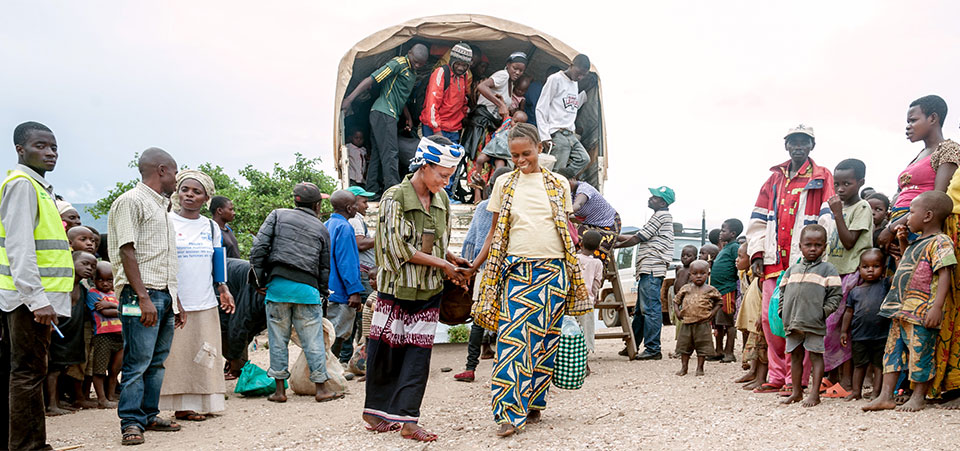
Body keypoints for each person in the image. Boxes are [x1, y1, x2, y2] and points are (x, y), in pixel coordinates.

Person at [466, 123, 589, 437]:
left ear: (539, 148)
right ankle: (507, 413)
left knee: (544, 341)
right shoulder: (504, 184)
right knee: (512, 341)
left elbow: (564, 228)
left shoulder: (558, 183)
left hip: (555, 272)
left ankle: (534, 402)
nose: (520, 160)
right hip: (518, 272)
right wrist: (473, 267)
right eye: (514, 155)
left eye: (526, 153)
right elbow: (493, 234)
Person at [362, 135, 468, 442]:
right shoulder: (394, 198)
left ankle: (409, 422)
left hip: (428, 292)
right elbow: (396, 248)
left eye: (450, 176)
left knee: (417, 358)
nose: (447, 182)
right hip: (394, 290)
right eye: (443, 175)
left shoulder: (443, 201)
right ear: (424, 166)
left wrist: (450, 257)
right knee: (384, 354)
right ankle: (375, 414)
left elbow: (437, 240)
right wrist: (444, 265)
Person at [746, 124, 834, 394]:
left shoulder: (821, 176)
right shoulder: (774, 179)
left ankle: (797, 379)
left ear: (812, 146)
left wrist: (816, 255)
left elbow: (826, 217)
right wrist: (756, 253)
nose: (798, 146)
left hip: (803, 262)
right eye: (793, 142)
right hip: (774, 260)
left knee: (802, 320)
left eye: (804, 142)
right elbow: (758, 219)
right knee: (771, 320)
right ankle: (776, 375)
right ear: (786, 145)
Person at [0, 121, 72, 450]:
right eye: (41, 146)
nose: (50, 152)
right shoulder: (22, 185)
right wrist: (36, 298)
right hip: (27, 301)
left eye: (53, 147)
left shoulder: (38, 186)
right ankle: (28, 447)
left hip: (34, 299)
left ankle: (32, 444)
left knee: (31, 372)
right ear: (20, 150)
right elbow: (20, 247)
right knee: (27, 373)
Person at [108, 147, 185, 446]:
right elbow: (127, 250)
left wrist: (175, 300)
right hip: (139, 295)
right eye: (176, 172)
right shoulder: (131, 201)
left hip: (163, 294)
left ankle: (149, 414)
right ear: (162, 170)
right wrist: (142, 297)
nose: (177, 179)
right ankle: (130, 422)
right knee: (137, 362)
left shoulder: (163, 209)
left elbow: (165, 257)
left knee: (157, 361)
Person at [249, 182, 342, 404]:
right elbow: (323, 267)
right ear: (318, 205)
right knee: (313, 340)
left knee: (277, 339)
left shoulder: (277, 215)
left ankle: (280, 391)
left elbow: (258, 250)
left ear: (295, 201)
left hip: (277, 287)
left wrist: (259, 281)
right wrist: (322, 292)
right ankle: (321, 389)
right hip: (307, 291)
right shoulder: (321, 228)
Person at [864, 191, 956, 412]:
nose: (907, 217)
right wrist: (904, 240)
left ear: (928, 216)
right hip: (900, 309)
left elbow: (945, 273)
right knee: (892, 351)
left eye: (911, 212)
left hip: (921, 310)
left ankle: (919, 396)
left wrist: (937, 307)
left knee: (921, 352)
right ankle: (885, 395)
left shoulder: (940, 241)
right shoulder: (917, 241)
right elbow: (908, 260)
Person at [159, 170, 236, 422]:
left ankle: (200, 402)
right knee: (176, 356)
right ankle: (177, 406)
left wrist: (223, 288)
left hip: (205, 300)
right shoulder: (166, 221)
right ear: (177, 192)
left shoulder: (211, 226)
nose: (189, 195)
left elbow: (217, 258)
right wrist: (173, 296)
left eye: (197, 192)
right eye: (185, 190)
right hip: (176, 301)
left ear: (206, 198)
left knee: (204, 352)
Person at [341, 43, 429, 198]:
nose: (416, 65)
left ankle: (372, 190)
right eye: (415, 61)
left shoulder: (412, 73)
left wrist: (408, 118)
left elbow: (401, 97)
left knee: (377, 154)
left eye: (420, 64)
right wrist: (349, 98)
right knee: (390, 153)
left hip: (390, 114)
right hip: (383, 112)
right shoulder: (397, 64)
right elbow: (372, 79)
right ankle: (393, 192)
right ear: (409, 52)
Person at [876, 96, 959, 254]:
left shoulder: (948, 149)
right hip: (900, 226)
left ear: (933, 118)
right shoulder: (919, 155)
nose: (908, 126)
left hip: (920, 226)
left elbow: (937, 198)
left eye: (913, 120)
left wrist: (893, 227)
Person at [454, 167, 511, 383]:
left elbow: (472, 240)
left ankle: (470, 367)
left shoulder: (483, 207)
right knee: (508, 317)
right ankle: (504, 367)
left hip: (485, 267)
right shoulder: (514, 206)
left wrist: (470, 266)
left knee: (478, 318)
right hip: (509, 268)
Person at [778, 224, 842, 407]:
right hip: (792, 321)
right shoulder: (792, 270)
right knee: (795, 356)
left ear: (824, 247)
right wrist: (783, 311)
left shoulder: (828, 269)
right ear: (800, 246)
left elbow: (836, 295)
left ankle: (814, 394)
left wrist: (823, 312)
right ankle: (796, 392)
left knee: (815, 356)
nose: (813, 249)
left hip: (814, 322)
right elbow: (782, 292)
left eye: (818, 245)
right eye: (808, 245)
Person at [825, 158, 874, 391]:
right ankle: (832, 377)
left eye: (847, 183)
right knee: (830, 327)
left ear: (861, 183)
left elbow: (849, 242)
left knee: (843, 327)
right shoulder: (842, 209)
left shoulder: (861, 208)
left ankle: (845, 381)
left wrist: (837, 214)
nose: (841, 189)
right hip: (836, 274)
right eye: (837, 184)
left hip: (852, 274)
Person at [617, 186, 676, 360]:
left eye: (655, 197)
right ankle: (633, 344)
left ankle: (653, 348)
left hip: (652, 266)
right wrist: (614, 237)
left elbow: (637, 238)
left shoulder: (661, 216)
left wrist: (614, 244)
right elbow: (638, 235)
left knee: (650, 309)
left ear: (663, 202)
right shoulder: (658, 216)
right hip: (648, 267)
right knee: (640, 310)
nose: (651, 198)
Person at [47, 251, 97, 415]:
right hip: (57, 333)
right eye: (85, 264)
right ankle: (52, 405)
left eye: (93, 266)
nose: (89, 268)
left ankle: (62, 401)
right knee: (53, 369)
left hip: (73, 334)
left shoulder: (82, 288)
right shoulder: (60, 285)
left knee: (64, 368)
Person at [461, 52, 528, 167]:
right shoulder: (503, 75)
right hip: (482, 123)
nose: (517, 72)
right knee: (478, 160)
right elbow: (482, 87)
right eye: (515, 68)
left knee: (483, 162)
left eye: (521, 71)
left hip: (490, 125)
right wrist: (500, 104)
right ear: (508, 64)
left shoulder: (510, 83)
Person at [839, 249, 890, 401]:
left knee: (878, 365)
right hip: (859, 335)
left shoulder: (885, 285)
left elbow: (899, 275)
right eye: (865, 266)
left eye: (875, 266)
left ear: (883, 269)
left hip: (880, 335)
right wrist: (843, 331)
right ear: (859, 269)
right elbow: (848, 312)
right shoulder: (855, 291)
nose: (870, 270)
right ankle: (856, 392)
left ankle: (876, 393)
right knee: (859, 365)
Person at [535, 54, 591, 177]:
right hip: (557, 133)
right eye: (579, 73)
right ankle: (554, 185)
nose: (580, 77)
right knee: (557, 168)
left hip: (570, 134)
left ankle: (561, 179)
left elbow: (571, 107)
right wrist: (545, 136)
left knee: (584, 159)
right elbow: (541, 108)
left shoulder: (574, 83)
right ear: (571, 65)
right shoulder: (555, 79)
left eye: (583, 75)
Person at [325, 190, 364, 358]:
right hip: (342, 292)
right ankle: (329, 373)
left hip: (328, 289)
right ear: (349, 208)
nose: (357, 208)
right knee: (338, 335)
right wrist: (354, 291)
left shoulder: (326, 224)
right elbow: (346, 262)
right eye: (355, 204)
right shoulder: (345, 227)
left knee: (327, 334)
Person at [674, 260, 722, 376]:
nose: (699, 276)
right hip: (687, 322)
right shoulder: (686, 288)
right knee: (684, 347)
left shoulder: (710, 289)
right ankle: (684, 367)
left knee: (702, 347)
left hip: (703, 323)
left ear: (708, 274)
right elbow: (676, 300)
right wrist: (677, 312)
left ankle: (700, 368)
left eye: (702, 273)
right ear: (690, 275)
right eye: (695, 273)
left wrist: (713, 313)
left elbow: (720, 301)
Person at [563, 168, 621, 263]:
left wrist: (562, 213)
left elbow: (578, 205)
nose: (563, 186)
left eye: (565, 183)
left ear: (573, 179)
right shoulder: (568, 193)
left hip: (608, 224)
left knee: (595, 255)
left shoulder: (584, 189)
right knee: (574, 240)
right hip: (590, 224)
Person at [87, 261, 123, 409]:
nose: (105, 284)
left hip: (120, 336)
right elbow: (105, 312)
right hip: (103, 336)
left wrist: (112, 305)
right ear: (94, 280)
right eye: (100, 279)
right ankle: (102, 399)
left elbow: (127, 310)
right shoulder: (93, 294)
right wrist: (118, 308)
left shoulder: (117, 294)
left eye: (109, 280)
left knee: (115, 370)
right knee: (100, 369)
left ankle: (111, 396)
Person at [420, 43, 472, 143]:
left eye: (464, 65)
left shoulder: (464, 76)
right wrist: (437, 130)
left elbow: (463, 99)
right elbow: (432, 103)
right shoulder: (441, 73)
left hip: (453, 128)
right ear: (452, 60)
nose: (460, 68)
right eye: (458, 63)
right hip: (436, 127)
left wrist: (464, 114)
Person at [735, 244, 768, 390]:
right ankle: (753, 372)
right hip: (753, 320)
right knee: (755, 349)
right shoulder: (749, 276)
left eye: (741, 257)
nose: (737, 260)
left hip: (759, 320)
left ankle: (761, 378)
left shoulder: (761, 277)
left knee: (761, 349)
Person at [711, 219, 743, 363]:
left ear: (733, 233)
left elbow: (739, 265)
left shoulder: (734, 247)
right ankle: (719, 351)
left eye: (723, 230)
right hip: (717, 291)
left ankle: (729, 352)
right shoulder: (725, 247)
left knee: (728, 322)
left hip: (727, 290)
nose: (720, 233)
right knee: (717, 322)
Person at [576, 230, 605, 366]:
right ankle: (585, 363)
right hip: (587, 301)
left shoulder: (574, 258)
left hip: (572, 299)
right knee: (586, 331)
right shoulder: (598, 263)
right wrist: (595, 296)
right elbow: (596, 283)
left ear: (580, 244)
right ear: (598, 248)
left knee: (571, 329)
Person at [666, 245, 697, 359]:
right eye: (683, 255)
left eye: (689, 256)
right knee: (679, 328)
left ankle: (681, 351)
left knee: (685, 329)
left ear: (695, 257)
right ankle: (680, 350)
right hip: (679, 303)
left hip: (687, 304)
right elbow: (676, 284)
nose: (685, 258)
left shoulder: (693, 271)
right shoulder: (679, 269)